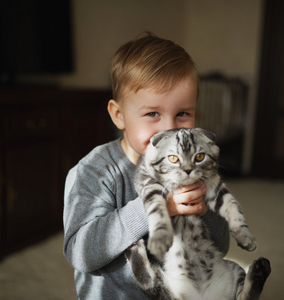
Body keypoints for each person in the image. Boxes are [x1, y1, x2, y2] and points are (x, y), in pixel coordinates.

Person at [63, 32, 229, 299]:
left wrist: (205, 208)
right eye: (153, 114)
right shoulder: (95, 171)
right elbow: (80, 253)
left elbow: (221, 248)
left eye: (182, 114)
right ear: (119, 115)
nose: (169, 129)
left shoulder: (194, 167)